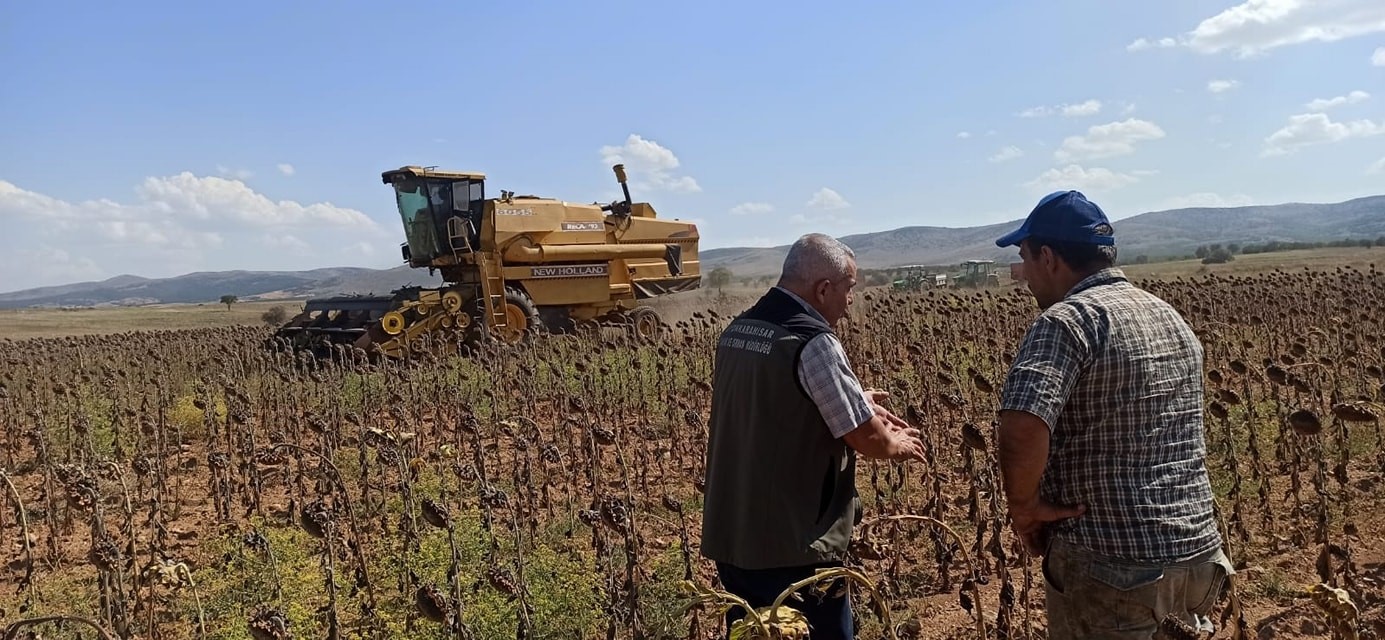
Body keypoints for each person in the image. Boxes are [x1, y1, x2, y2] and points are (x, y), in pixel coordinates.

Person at [993, 191, 1234, 638]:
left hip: (1113, 563)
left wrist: (1024, 508)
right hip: (1198, 553)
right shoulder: (1169, 316)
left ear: (1049, 257)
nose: (1023, 274)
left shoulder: (1067, 321)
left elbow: (1023, 424)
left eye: (1024, 257)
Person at [701, 233, 926, 639]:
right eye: (849, 288)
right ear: (823, 289)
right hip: (793, 548)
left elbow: (776, 404)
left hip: (732, 533)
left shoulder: (738, 330)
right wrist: (896, 443)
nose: (851, 299)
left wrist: (852, 398)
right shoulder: (813, 341)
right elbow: (865, 437)